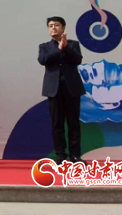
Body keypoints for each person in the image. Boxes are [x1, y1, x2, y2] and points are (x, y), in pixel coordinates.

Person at [38, 16, 85, 165]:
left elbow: (77, 60)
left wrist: (65, 47)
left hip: (72, 88)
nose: (53, 28)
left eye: (56, 25)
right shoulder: (44, 46)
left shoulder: (73, 44)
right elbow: (43, 60)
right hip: (54, 89)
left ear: (63, 28)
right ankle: (60, 155)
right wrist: (59, 49)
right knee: (57, 124)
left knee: (73, 124)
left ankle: (75, 155)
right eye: (50, 25)